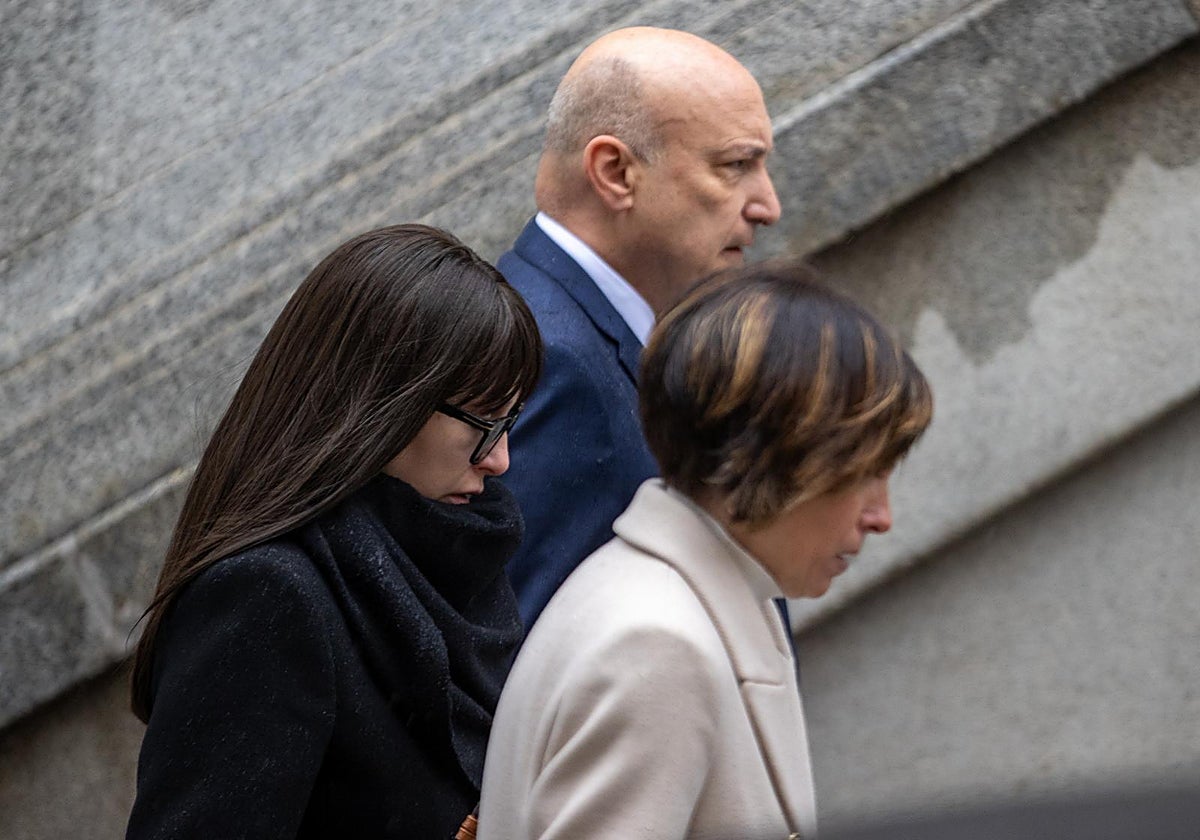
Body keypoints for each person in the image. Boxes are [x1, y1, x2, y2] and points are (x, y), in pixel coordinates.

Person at [477, 264, 934, 840]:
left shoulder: (674, 599)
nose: (882, 517)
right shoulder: (657, 644)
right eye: (862, 472)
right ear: (766, 458)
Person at [125, 224, 543, 839]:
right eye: (482, 422)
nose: (499, 458)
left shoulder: (448, 548)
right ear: (383, 404)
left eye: (510, 421)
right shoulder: (267, 593)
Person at [499, 26, 783, 625]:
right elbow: (528, 667)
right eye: (736, 165)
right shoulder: (550, 362)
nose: (768, 206)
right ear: (615, 173)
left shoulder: (579, 332)